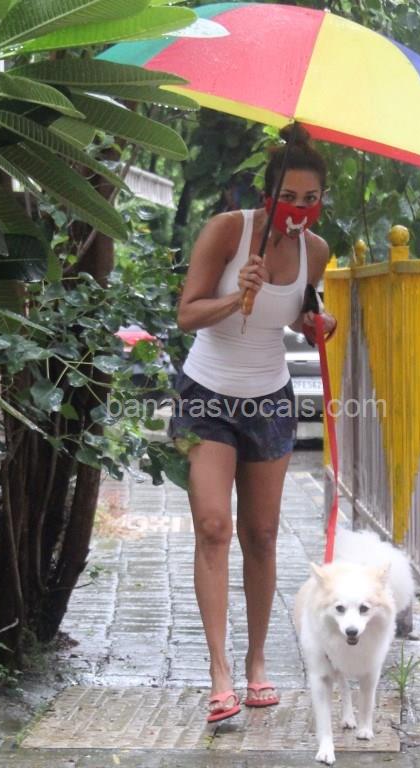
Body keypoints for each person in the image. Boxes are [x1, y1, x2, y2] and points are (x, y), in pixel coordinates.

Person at [169, 124, 337, 723]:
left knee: (261, 535)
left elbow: (296, 315)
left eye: (310, 199)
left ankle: (257, 662)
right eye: (288, 197)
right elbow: (188, 314)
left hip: (269, 397)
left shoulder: (316, 251)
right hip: (207, 394)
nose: (298, 209)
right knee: (214, 525)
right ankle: (219, 674)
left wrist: (316, 326)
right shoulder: (227, 231)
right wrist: (234, 292)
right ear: (268, 196)